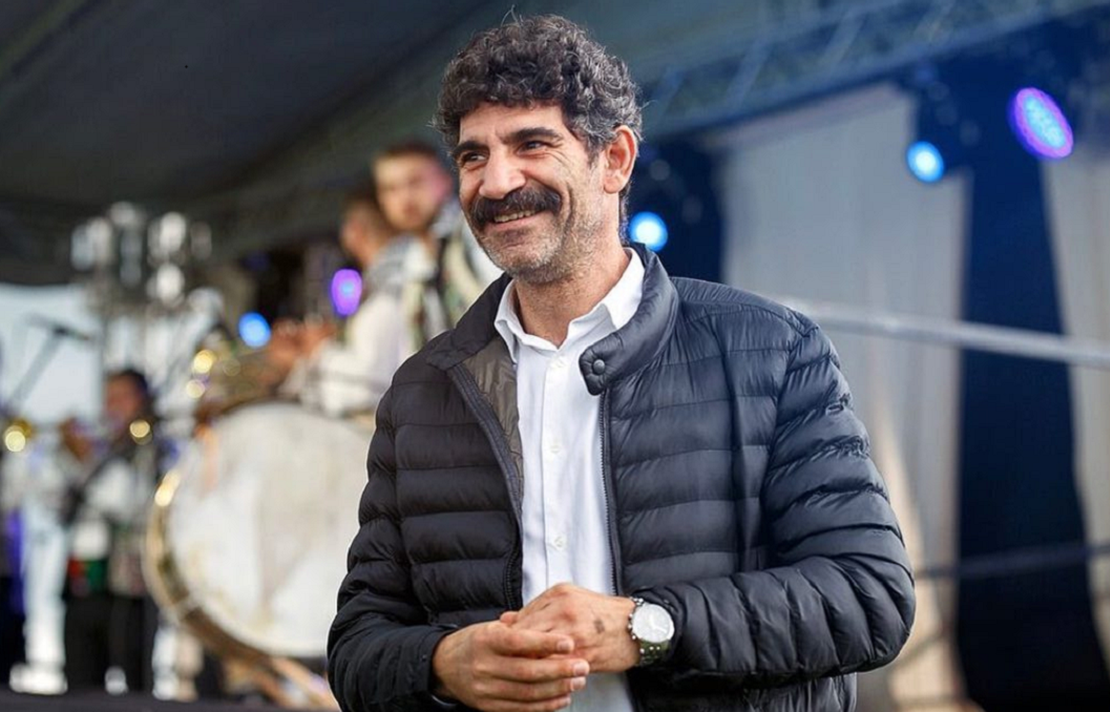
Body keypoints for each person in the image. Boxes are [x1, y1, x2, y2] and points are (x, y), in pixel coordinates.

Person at [329, 15, 914, 712]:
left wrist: (645, 627)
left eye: (532, 144)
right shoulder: (421, 394)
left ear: (615, 160)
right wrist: (440, 662)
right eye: (473, 155)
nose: (497, 181)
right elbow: (357, 646)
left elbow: (869, 597)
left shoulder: (773, 351)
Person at [59, 368, 164, 693]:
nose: (112, 407)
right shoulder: (98, 444)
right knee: (79, 679)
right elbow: (53, 500)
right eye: (108, 398)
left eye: (122, 397)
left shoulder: (152, 448)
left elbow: (130, 504)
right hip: (84, 577)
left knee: (134, 680)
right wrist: (67, 455)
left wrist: (86, 458)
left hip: (128, 588)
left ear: (142, 401)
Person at [268, 186, 409, 417]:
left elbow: (366, 390)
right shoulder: (391, 282)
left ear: (354, 231)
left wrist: (318, 350)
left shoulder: (390, 289)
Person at [372, 140, 499, 353]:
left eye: (415, 182)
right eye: (390, 189)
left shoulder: (476, 233)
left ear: (446, 179)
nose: (405, 198)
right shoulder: (409, 265)